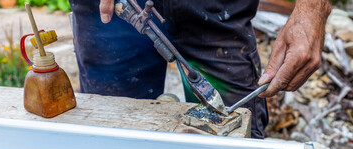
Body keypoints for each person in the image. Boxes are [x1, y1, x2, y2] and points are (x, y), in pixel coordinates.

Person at [68, 0, 331, 139]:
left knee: (236, 144)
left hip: (216, 8)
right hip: (113, 10)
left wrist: (313, 6)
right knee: (109, 141)